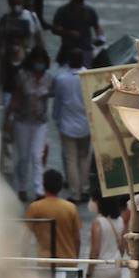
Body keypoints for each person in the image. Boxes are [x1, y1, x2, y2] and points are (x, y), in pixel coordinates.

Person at [7, 47, 52, 202]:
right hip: (22, 121)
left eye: (41, 62)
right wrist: (8, 118)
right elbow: (15, 98)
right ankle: (22, 187)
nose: (39, 65)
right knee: (24, 157)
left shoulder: (49, 79)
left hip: (40, 123)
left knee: (37, 155)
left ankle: (39, 189)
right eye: (36, 61)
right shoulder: (22, 77)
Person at [51, 49, 90, 202]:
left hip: (67, 124)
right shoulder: (88, 77)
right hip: (85, 124)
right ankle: (85, 188)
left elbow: (57, 102)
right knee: (84, 157)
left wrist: (56, 118)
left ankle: (75, 193)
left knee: (71, 159)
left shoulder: (61, 79)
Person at [0, 0, 43, 105]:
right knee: (10, 86)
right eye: (13, 3)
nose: (16, 6)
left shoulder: (31, 17)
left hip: (28, 57)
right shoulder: (5, 19)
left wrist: (41, 55)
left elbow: (39, 37)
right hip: (10, 59)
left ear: (23, 2)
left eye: (18, 2)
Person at [25, 167, 81, 262]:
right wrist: (75, 259)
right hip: (67, 260)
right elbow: (77, 239)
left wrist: (23, 260)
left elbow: (26, 237)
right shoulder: (70, 208)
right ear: (61, 186)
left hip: (45, 261)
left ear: (43, 185)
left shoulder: (35, 208)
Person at [51, 0, 103, 66]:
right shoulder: (63, 11)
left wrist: (100, 37)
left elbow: (96, 27)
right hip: (68, 50)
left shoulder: (90, 11)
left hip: (85, 50)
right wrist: (68, 33)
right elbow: (55, 29)